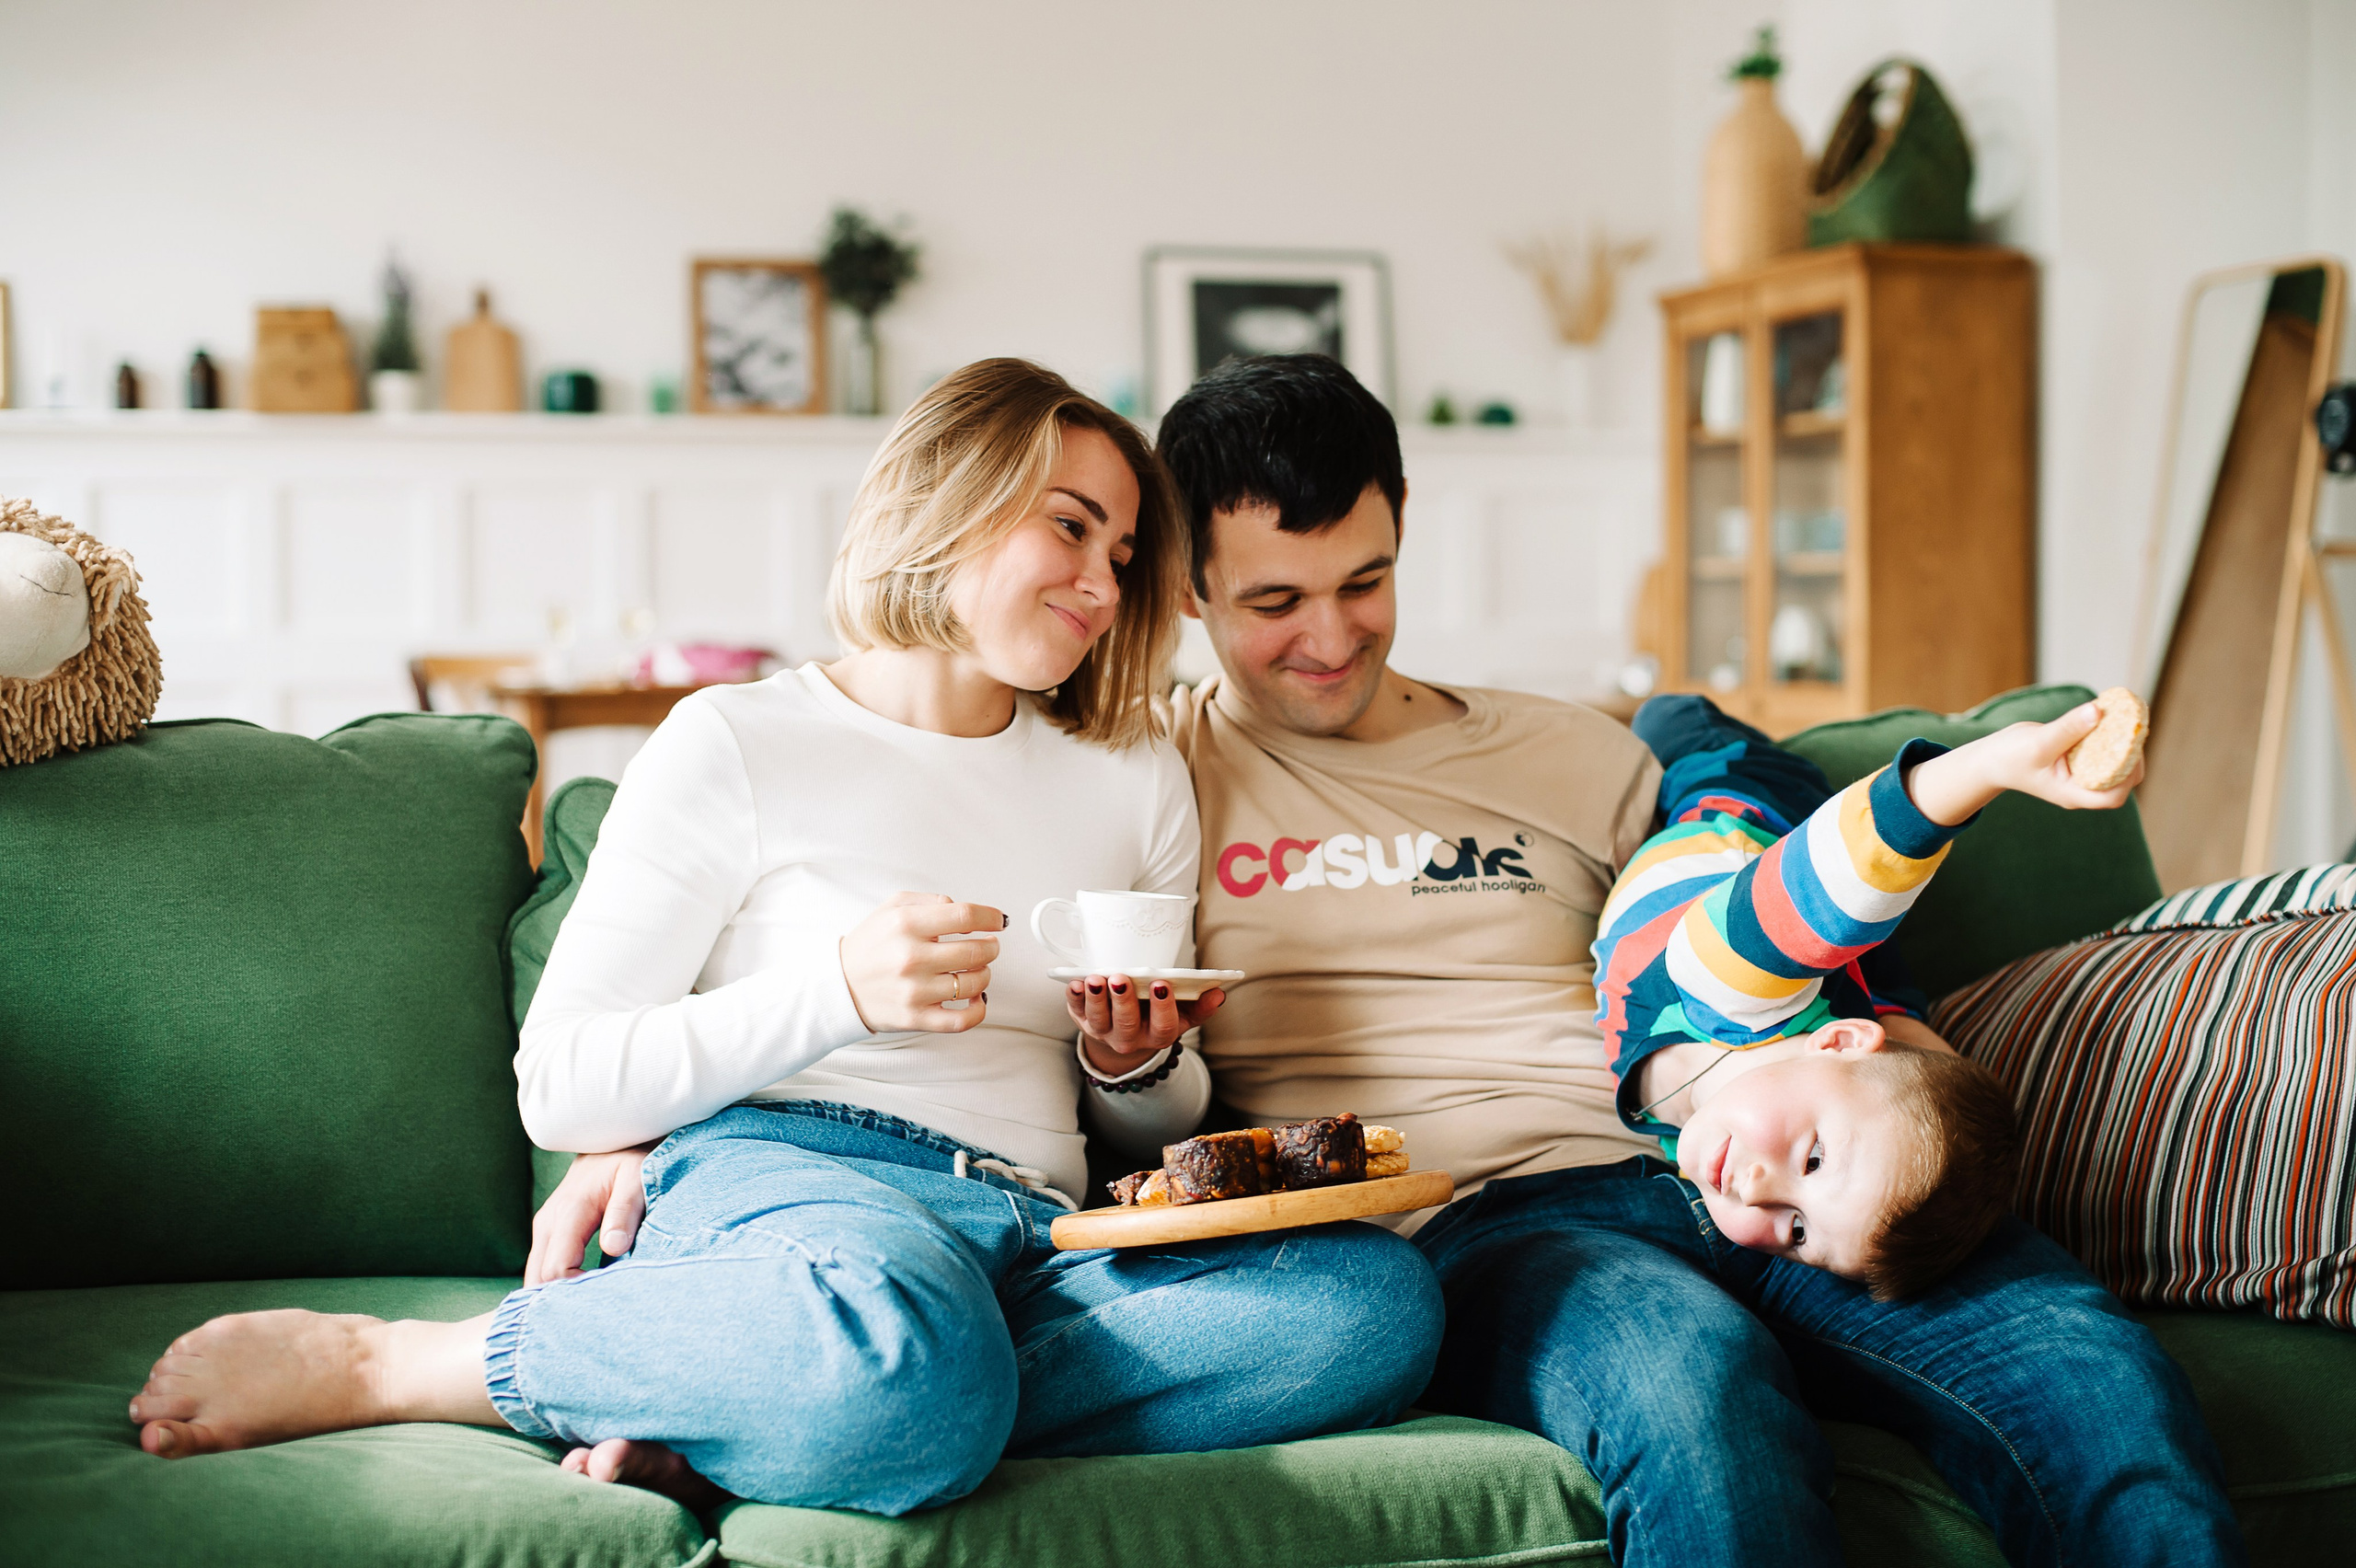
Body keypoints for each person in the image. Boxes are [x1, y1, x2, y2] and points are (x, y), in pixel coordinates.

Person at [126, 357, 1443, 1514]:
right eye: (1071, 528)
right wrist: (836, 993)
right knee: (903, 1349)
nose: (1104, 582)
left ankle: (764, 1412)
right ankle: (423, 1364)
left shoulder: (1129, 770)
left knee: (1370, 1307)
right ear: (948, 503)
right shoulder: (739, 741)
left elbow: (1145, 1138)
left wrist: (1131, 1071)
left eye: (1122, 552)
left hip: (1036, 1231)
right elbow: (564, 1080)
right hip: (801, 1194)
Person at [1153, 352, 2245, 1568]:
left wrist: (1887, 1023)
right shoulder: (1152, 781)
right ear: (1189, 586)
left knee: (2080, 1367)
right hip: (1488, 1225)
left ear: (1402, 522)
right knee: (1696, 1384)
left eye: (1365, 581)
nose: (1330, 635)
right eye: (1273, 603)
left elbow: (1751, 924)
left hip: (1743, 1159)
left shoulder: (1570, 755)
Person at [1596, 694, 2109, 1296]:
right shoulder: (1729, 983)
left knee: (1882, 1004)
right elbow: (1837, 882)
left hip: (1845, 1004)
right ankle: (1889, 1013)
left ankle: (1890, 1014)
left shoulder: (1694, 1139)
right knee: (1666, 718)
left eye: (1798, 1233)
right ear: (1836, 1041)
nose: (1759, 1190)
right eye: (1812, 1160)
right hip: (1754, 810)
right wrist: (1979, 770)